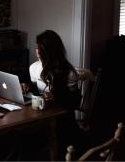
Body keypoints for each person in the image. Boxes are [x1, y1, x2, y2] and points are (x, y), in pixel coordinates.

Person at [28, 30, 85, 160]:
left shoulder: (69, 73)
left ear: (50, 51)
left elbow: (75, 102)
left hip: (61, 119)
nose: (37, 51)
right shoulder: (34, 68)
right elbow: (35, 90)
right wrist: (27, 87)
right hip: (40, 115)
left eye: (40, 49)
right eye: (37, 48)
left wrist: (57, 98)